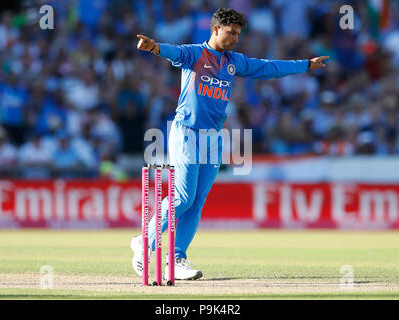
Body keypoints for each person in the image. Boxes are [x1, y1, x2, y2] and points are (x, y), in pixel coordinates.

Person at [131, 8, 328, 280]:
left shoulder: (234, 61)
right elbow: (173, 52)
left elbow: (268, 68)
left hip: (213, 136)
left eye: (238, 33)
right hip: (187, 131)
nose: (235, 38)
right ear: (215, 30)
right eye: (230, 32)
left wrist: (305, 65)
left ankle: (176, 259)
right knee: (183, 197)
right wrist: (154, 47)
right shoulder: (195, 53)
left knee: (197, 202)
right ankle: (144, 242)